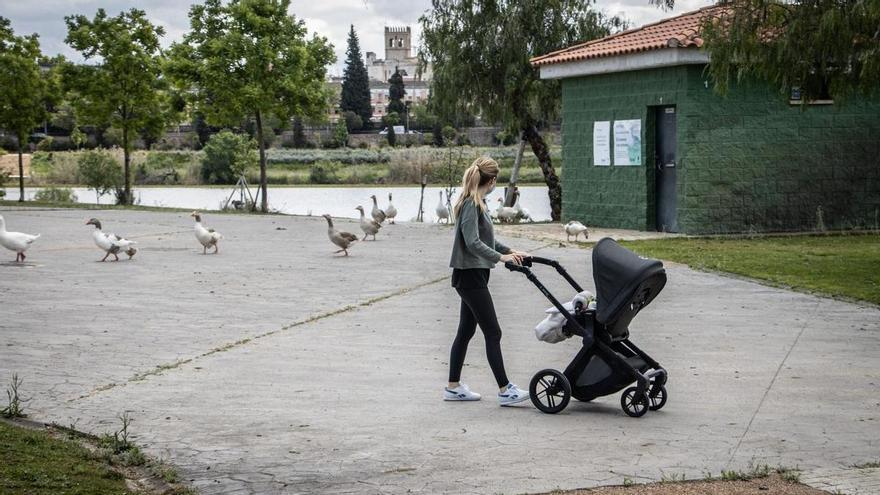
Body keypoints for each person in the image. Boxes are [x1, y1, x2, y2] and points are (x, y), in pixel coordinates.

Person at [444, 156, 531, 406]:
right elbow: (472, 242)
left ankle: (453, 387)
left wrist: (512, 251)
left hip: (474, 274)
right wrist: (501, 258)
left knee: (466, 331)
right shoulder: (471, 204)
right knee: (493, 332)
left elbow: (486, 239)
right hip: (470, 275)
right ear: (491, 181)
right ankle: (505, 390)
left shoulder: (477, 203)